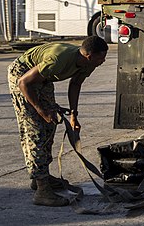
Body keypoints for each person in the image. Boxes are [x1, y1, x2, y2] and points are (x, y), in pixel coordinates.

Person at [7, 36, 109, 206]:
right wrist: (41, 110)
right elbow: (23, 82)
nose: (103, 61)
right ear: (89, 56)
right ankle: (42, 191)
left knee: (49, 126)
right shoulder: (58, 59)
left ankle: (41, 177)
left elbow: (75, 84)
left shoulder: (88, 64)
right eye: (101, 58)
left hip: (43, 79)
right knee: (36, 131)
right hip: (22, 75)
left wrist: (73, 115)